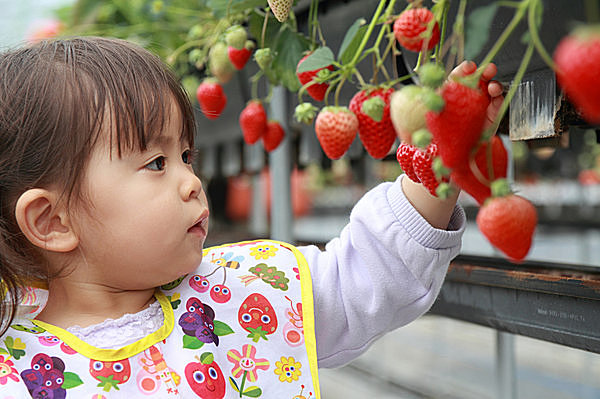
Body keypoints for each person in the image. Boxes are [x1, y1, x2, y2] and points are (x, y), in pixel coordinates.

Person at [0, 36, 502, 398]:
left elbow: (365, 279)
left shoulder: (245, 295)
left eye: (187, 157)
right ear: (52, 222)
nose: (191, 182)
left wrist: (441, 159)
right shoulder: (17, 375)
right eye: (156, 163)